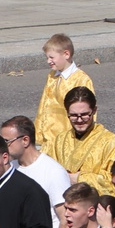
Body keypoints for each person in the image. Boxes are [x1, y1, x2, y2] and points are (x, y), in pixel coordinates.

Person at [51, 85, 115, 192]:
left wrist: (79, 179)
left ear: (94, 110)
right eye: (73, 115)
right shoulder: (59, 140)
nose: (79, 120)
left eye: (84, 115)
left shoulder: (111, 143)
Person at [36, 33, 96, 165]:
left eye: (52, 57)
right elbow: (43, 106)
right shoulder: (52, 76)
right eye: (47, 57)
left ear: (66, 54)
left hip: (68, 138)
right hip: (49, 138)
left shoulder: (81, 79)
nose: (48, 61)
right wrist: (38, 134)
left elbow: (89, 111)